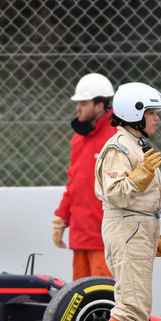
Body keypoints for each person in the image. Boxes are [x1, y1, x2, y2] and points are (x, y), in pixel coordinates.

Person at [84, 82, 161, 321]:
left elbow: (143, 200)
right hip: (127, 228)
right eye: (151, 113)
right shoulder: (118, 147)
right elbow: (116, 192)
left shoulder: (135, 146)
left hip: (138, 228)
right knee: (133, 304)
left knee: (133, 302)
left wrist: (154, 235)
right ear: (135, 114)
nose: (156, 119)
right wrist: (143, 173)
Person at [52, 73, 117, 280]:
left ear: (100, 105)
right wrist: (61, 217)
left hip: (104, 236)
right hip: (81, 234)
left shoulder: (118, 135)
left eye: (83, 103)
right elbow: (74, 182)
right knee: (79, 297)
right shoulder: (79, 138)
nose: (77, 107)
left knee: (104, 298)